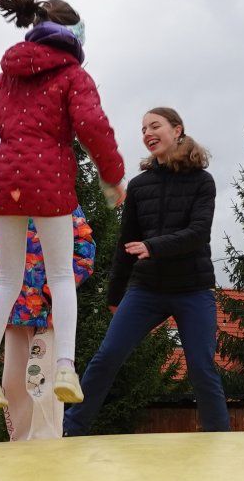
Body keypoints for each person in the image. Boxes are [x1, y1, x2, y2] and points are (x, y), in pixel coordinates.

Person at [0, 0, 125, 411]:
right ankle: (66, 367)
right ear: (73, 38)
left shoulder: (2, 80)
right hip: (50, 182)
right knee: (61, 276)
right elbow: (92, 125)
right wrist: (113, 176)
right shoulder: (73, 75)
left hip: (3, 184)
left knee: (7, 280)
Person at [64, 108, 230, 434]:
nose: (147, 133)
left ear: (177, 130)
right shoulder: (140, 186)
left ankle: (219, 438)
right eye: (143, 129)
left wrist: (154, 246)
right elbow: (125, 244)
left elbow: (197, 233)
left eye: (155, 126)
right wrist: (114, 296)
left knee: (200, 366)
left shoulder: (202, 182)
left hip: (192, 289)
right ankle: (71, 429)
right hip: (146, 290)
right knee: (107, 355)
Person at [0, 209, 96, 440]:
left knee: (41, 380)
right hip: (13, 315)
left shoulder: (61, 201)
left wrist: (52, 293)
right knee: (13, 384)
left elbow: (85, 249)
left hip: (47, 316)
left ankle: (45, 443)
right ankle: (20, 443)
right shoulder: (0, 208)